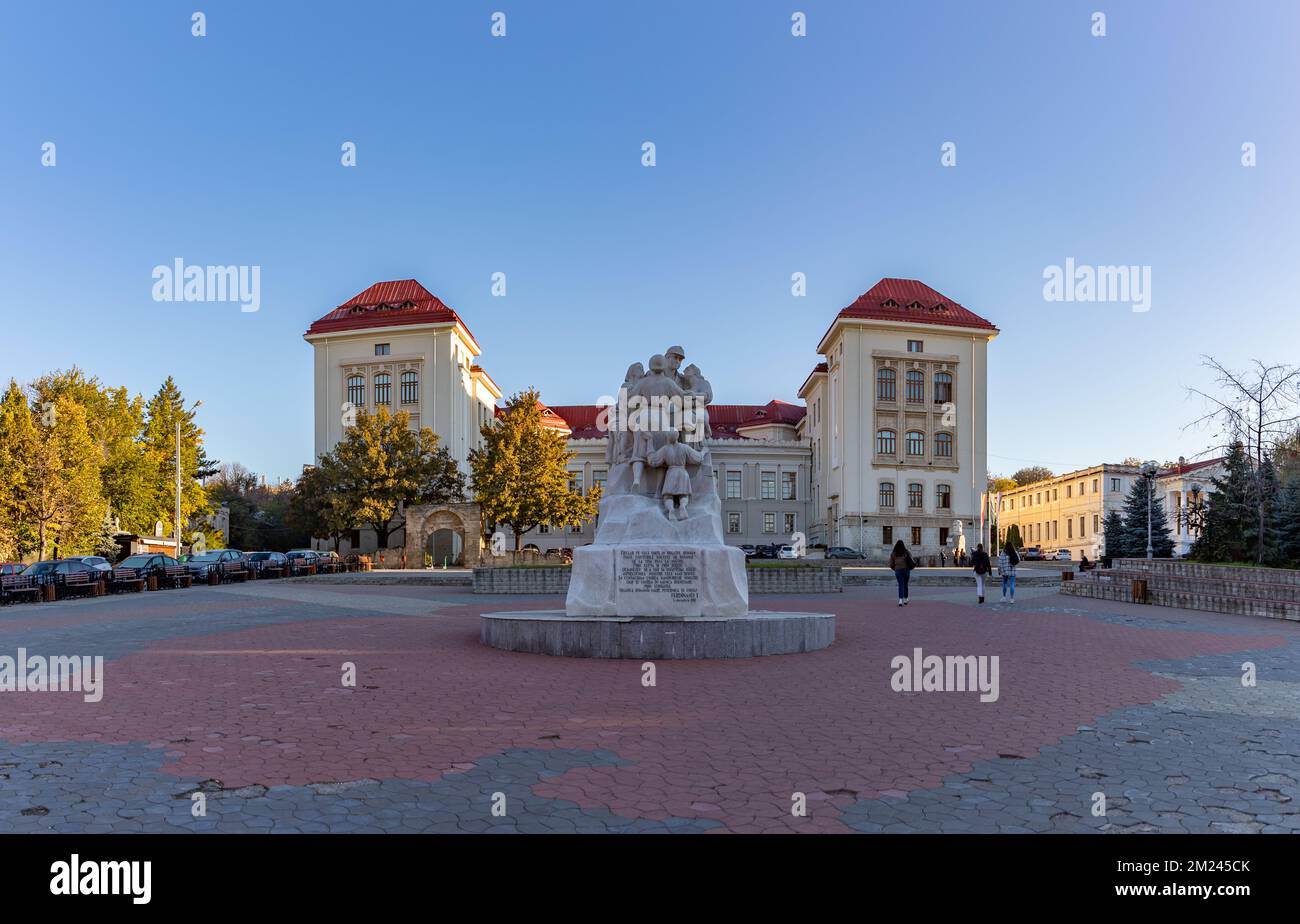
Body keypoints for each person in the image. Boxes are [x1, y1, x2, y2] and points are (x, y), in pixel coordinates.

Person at [888, 539, 916, 607]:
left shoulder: (894, 553)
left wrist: (895, 569)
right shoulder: (906, 552)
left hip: (898, 570)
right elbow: (911, 560)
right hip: (906, 570)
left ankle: (900, 600)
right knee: (905, 584)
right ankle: (906, 599)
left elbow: (891, 563)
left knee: (901, 585)